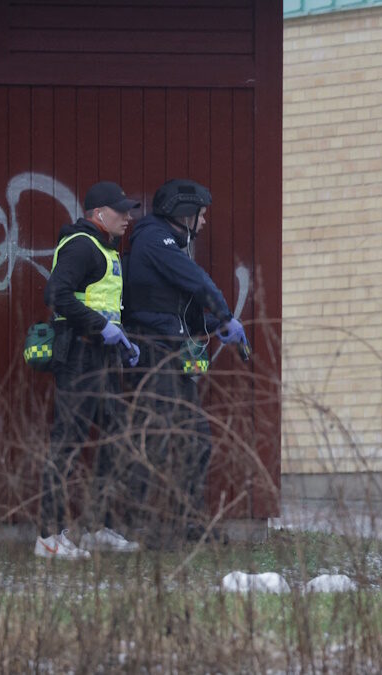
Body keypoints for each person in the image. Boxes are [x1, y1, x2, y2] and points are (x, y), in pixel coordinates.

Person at [122, 178, 248, 545]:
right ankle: (146, 526)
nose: (205, 222)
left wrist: (213, 326)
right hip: (154, 351)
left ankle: (190, 522)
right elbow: (197, 282)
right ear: (183, 214)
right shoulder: (153, 240)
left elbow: (180, 308)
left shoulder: (169, 245)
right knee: (159, 439)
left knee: (195, 438)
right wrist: (225, 315)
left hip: (171, 350)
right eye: (201, 215)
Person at [37, 181, 143, 559]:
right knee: (67, 444)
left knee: (116, 437)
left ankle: (99, 526)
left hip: (101, 358)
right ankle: (48, 538)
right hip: (79, 356)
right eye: (121, 211)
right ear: (99, 214)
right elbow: (57, 295)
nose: (128, 217)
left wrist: (123, 341)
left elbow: (103, 305)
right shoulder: (82, 245)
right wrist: (101, 328)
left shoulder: (105, 249)